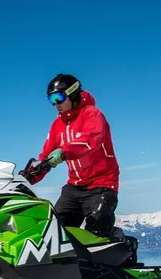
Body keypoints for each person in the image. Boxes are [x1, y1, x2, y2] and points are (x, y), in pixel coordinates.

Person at [23, 73, 123, 240]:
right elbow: (46, 155)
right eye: (51, 100)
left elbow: (90, 140)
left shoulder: (92, 114)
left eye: (58, 97)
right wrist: (29, 176)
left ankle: (119, 245)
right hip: (74, 187)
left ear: (72, 93)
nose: (55, 104)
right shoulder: (57, 125)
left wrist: (64, 152)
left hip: (101, 184)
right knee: (55, 233)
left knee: (97, 233)